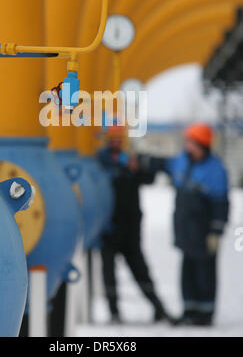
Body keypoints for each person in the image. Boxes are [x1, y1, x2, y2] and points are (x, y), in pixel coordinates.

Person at [140, 123, 229, 326]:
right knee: (187, 272)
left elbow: (221, 203)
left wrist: (216, 231)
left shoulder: (215, 170)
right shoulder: (182, 162)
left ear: (202, 145)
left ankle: (205, 313)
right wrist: (140, 160)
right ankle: (189, 310)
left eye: (192, 143)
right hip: (186, 231)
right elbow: (162, 164)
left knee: (205, 273)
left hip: (204, 232)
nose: (188, 146)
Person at [97, 125, 171, 324]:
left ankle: (158, 308)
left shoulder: (130, 160)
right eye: (113, 139)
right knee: (109, 273)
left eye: (119, 139)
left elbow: (150, 178)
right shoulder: (100, 161)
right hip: (109, 228)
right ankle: (114, 312)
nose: (116, 143)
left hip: (130, 228)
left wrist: (137, 167)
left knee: (140, 269)